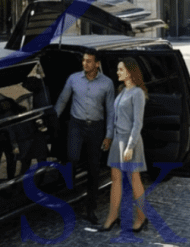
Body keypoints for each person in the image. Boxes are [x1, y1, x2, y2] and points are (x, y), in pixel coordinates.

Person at [54, 48, 115, 224]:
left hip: (96, 128)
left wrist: (109, 134)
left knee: (94, 169)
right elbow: (62, 101)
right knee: (71, 158)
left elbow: (111, 111)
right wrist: (52, 121)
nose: (85, 64)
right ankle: (71, 196)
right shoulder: (73, 79)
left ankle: (91, 209)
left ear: (97, 64)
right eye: (83, 60)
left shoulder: (107, 83)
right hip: (76, 125)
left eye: (89, 61)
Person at [100, 57, 147, 233]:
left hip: (130, 141)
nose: (117, 72)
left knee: (135, 180)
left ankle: (141, 218)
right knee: (116, 179)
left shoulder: (137, 93)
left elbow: (137, 123)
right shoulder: (122, 92)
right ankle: (112, 217)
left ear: (130, 71)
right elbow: (114, 119)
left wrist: (130, 146)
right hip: (117, 140)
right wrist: (109, 137)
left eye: (121, 69)